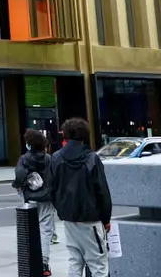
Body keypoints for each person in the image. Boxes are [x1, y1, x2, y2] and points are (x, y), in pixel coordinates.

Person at [49, 118, 112, 277]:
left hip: (69, 219)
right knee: (98, 263)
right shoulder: (92, 158)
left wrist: (62, 209)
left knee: (74, 261)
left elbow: (52, 189)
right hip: (91, 219)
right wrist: (106, 218)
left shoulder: (56, 158)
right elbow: (102, 191)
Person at [13, 129, 55, 276]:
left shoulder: (24, 159)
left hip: (30, 199)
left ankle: (31, 260)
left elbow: (19, 178)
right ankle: (43, 262)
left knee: (29, 231)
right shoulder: (49, 158)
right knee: (45, 230)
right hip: (46, 200)